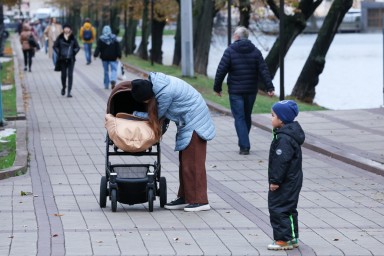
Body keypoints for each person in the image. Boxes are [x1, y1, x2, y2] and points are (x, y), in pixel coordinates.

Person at [130, 72, 216, 212]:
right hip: (187, 120)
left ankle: (200, 201)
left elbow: (158, 115)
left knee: (193, 163)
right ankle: (185, 197)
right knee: (185, 162)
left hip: (195, 121)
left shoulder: (164, 93)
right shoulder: (158, 86)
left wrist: (135, 115)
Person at [213, 26, 275, 155]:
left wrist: (217, 88)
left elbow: (221, 70)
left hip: (236, 91)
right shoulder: (256, 51)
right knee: (246, 116)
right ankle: (244, 141)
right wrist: (270, 87)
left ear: (236, 36)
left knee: (240, 117)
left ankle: (244, 145)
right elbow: (264, 70)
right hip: (251, 90)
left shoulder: (230, 51)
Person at [267, 100, 305, 250]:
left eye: (273, 115)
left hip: (285, 180)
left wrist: (275, 181)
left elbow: (280, 162)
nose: (271, 118)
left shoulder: (284, 138)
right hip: (293, 179)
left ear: (281, 119)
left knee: (278, 207)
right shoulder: (288, 134)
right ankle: (293, 237)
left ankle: (283, 240)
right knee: (289, 208)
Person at [53, 24, 80, 98]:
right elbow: (55, 46)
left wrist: (73, 52)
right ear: (63, 29)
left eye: (68, 28)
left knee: (70, 75)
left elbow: (77, 47)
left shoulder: (73, 38)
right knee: (63, 75)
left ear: (70, 29)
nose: (67, 29)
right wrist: (59, 52)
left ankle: (69, 91)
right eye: (65, 28)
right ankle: (64, 87)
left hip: (71, 59)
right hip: (62, 59)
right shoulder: (60, 37)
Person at [93, 25, 121, 90]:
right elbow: (118, 48)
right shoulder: (114, 38)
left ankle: (106, 85)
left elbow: (98, 48)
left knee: (106, 71)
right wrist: (119, 55)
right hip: (113, 57)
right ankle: (113, 79)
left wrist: (95, 55)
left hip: (104, 58)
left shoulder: (101, 39)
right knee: (114, 69)